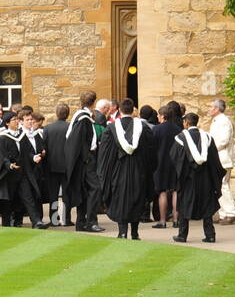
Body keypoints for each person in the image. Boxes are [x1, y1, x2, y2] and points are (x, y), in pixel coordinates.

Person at [97, 98, 151, 239]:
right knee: (137, 197)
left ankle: (122, 232)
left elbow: (104, 155)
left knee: (120, 198)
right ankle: (135, 232)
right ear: (133, 110)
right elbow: (150, 154)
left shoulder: (111, 129)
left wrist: (104, 174)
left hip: (118, 171)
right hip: (138, 170)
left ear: (119, 110)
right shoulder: (143, 129)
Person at [172, 113, 227, 244]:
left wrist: (180, 177)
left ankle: (182, 235)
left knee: (184, 204)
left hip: (187, 179)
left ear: (186, 123)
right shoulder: (207, 138)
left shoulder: (180, 138)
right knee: (207, 205)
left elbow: (175, 160)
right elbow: (215, 161)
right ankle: (210, 235)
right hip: (205, 179)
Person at [64, 91, 104, 232]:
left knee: (85, 190)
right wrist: (86, 158)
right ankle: (90, 222)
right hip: (86, 160)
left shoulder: (81, 116)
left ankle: (81, 222)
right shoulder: (83, 119)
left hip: (84, 160)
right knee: (95, 188)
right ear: (93, 102)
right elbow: (78, 142)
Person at [0, 111, 29, 227]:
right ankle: (6, 223)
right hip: (6, 174)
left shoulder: (22, 135)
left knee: (20, 198)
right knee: (8, 199)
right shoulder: (2, 138)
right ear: (7, 123)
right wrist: (9, 165)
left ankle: (18, 221)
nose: (17, 121)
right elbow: (0, 156)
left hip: (20, 172)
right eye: (14, 119)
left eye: (17, 119)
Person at [207, 98, 235, 225]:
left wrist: (211, 148)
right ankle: (224, 213)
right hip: (219, 158)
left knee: (222, 185)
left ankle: (232, 212)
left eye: (211, 107)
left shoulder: (223, 121)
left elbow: (223, 140)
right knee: (220, 186)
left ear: (216, 109)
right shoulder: (217, 120)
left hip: (223, 158)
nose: (209, 109)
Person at [150, 102, 183, 229]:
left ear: (163, 116)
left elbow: (153, 148)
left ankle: (163, 221)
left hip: (160, 163)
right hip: (175, 163)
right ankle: (176, 220)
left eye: (159, 115)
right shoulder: (178, 129)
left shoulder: (156, 129)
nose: (157, 117)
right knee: (175, 191)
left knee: (162, 191)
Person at [42, 103, 72, 226]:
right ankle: (66, 219)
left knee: (53, 195)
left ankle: (54, 219)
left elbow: (43, 146)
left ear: (56, 113)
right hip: (66, 167)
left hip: (51, 166)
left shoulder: (48, 128)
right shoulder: (71, 127)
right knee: (66, 194)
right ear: (68, 113)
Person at [20, 112, 51, 228]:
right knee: (27, 196)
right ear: (21, 121)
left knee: (36, 195)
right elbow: (23, 152)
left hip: (36, 170)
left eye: (31, 120)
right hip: (24, 170)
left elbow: (41, 146)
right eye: (27, 120)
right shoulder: (20, 135)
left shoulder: (36, 134)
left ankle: (38, 220)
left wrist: (42, 151)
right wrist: (32, 157)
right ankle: (34, 221)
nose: (30, 122)